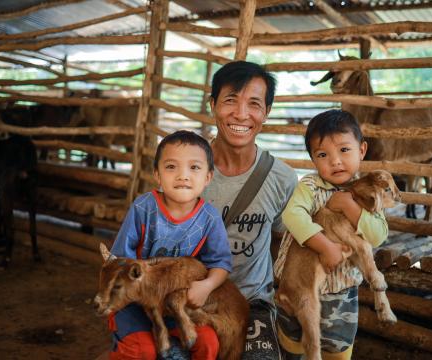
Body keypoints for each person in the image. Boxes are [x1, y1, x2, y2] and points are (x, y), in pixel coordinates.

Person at [201, 60, 298, 359]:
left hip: (253, 302)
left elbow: (287, 243)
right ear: (213, 104)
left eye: (254, 104)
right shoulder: (186, 168)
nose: (241, 114)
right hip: (192, 297)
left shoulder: (281, 178)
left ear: (266, 113)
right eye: (230, 100)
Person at [274, 109, 389, 360]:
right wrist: (325, 246)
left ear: (362, 150)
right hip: (297, 282)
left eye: (344, 150)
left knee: (336, 346)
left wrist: (350, 206)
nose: (335, 161)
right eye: (323, 155)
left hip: (341, 290)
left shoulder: (368, 192)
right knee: (293, 343)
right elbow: (292, 216)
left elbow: (378, 235)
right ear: (313, 160)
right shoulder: (310, 187)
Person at [107, 130, 232, 360]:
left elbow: (221, 262)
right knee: (141, 350)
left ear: (208, 177)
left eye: (194, 168)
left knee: (208, 344)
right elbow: (119, 261)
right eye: (171, 167)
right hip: (134, 302)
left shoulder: (209, 218)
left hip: (178, 303)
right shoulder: (143, 208)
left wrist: (206, 286)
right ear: (157, 174)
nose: (183, 176)